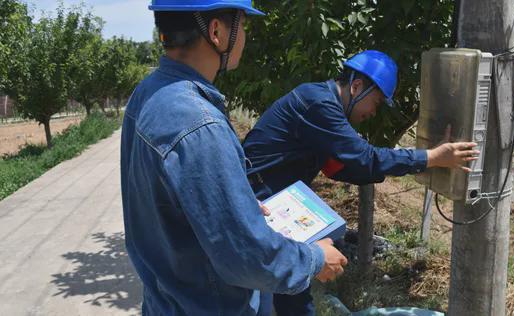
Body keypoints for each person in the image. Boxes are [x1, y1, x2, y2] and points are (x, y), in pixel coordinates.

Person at [120, 1, 347, 315]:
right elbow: (247, 259)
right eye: (243, 24)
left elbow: (166, 202)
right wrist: (314, 259)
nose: (246, 36)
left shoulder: (149, 92)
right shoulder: (200, 125)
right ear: (216, 32)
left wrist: (230, 203)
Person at [243, 50, 480, 316]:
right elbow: (364, 158)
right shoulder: (320, 104)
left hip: (273, 197)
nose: (374, 112)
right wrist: (429, 158)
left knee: (292, 287)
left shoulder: (321, 103)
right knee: (270, 290)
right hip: (260, 201)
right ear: (356, 87)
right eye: (376, 103)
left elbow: (342, 167)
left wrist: (417, 164)